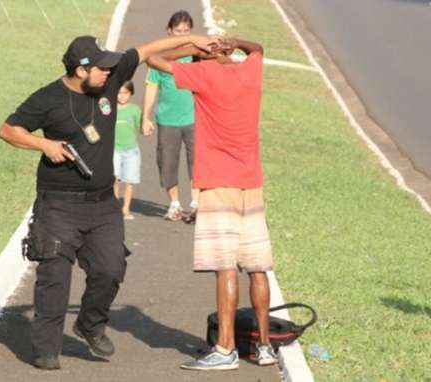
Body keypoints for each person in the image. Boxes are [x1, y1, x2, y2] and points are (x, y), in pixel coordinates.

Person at [0, 33, 220, 370]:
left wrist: (194, 43)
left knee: (111, 268)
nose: (109, 74)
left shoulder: (110, 78)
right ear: (80, 70)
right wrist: (45, 146)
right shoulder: (47, 99)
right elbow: (9, 130)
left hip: (103, 204)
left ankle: (89, 324)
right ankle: (46, 346)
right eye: (100, 69)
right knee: (54, 274)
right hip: (58, 204)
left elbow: (147, 51)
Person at [146, 38, 277, 371]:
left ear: (209, 55)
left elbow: (152, 58)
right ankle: (264, 347)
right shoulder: (250, 71)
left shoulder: (203, 74)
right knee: (257, 267)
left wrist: (193, 46)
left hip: (219, 181)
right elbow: (258, 49)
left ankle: (225, 348)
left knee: (225, 266)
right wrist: (236, 43)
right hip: (251, 180)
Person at [143, 11, 200, 223]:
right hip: (167, 120)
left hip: (194, 118)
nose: (182, 35)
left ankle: (196, 205)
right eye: (178, 31)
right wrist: (145, 117)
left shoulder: (197, 56)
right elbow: (151, 86)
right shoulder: (160, 57)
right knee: (167, 163)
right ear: (169, 31)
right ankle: (174, 205)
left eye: (186, 31)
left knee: (198, 163)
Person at [113, 80, 142, 220]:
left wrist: (147, 126)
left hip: (131, 150)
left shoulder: (135, 110)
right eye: (119, 93)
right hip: (114, 149)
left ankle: (126, 208)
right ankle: (114, 207)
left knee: (129, 180)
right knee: (114, 178)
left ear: (130, 94)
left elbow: (140, 127)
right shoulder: (110, 109)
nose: (122, 96)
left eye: (125, 93)